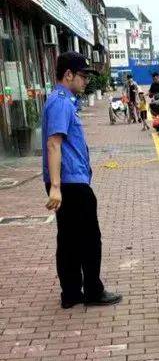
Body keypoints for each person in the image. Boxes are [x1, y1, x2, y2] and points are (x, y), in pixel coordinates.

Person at [43, 52, 122, 309]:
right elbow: (54, 143)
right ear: (68, 75)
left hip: (68, 181)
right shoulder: (61, 102)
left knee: (69, 237)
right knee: (88, 237)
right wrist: (55, 187)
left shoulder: (61, 100)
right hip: (70, 183)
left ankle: (72, 293)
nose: (86, 81)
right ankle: (91, 291)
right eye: (83, 76)